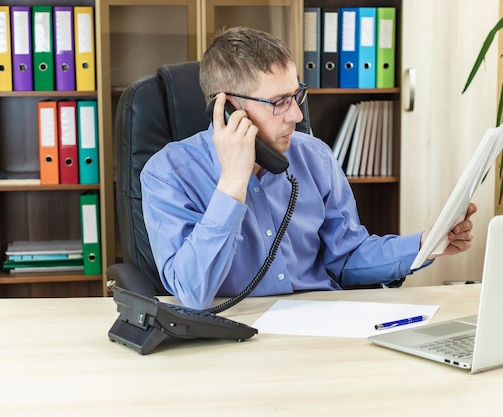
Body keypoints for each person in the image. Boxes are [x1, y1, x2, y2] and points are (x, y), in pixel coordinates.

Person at [140, 27, 477, 310]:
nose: (297, 116)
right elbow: (191, 292)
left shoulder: (314, 157)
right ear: (227, 109)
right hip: (232, 335)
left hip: (321, 326)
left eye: (296, 95)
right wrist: (232, 182)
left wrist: (424, 245)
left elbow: (346, 257)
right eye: (279, 102)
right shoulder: (168, 174)